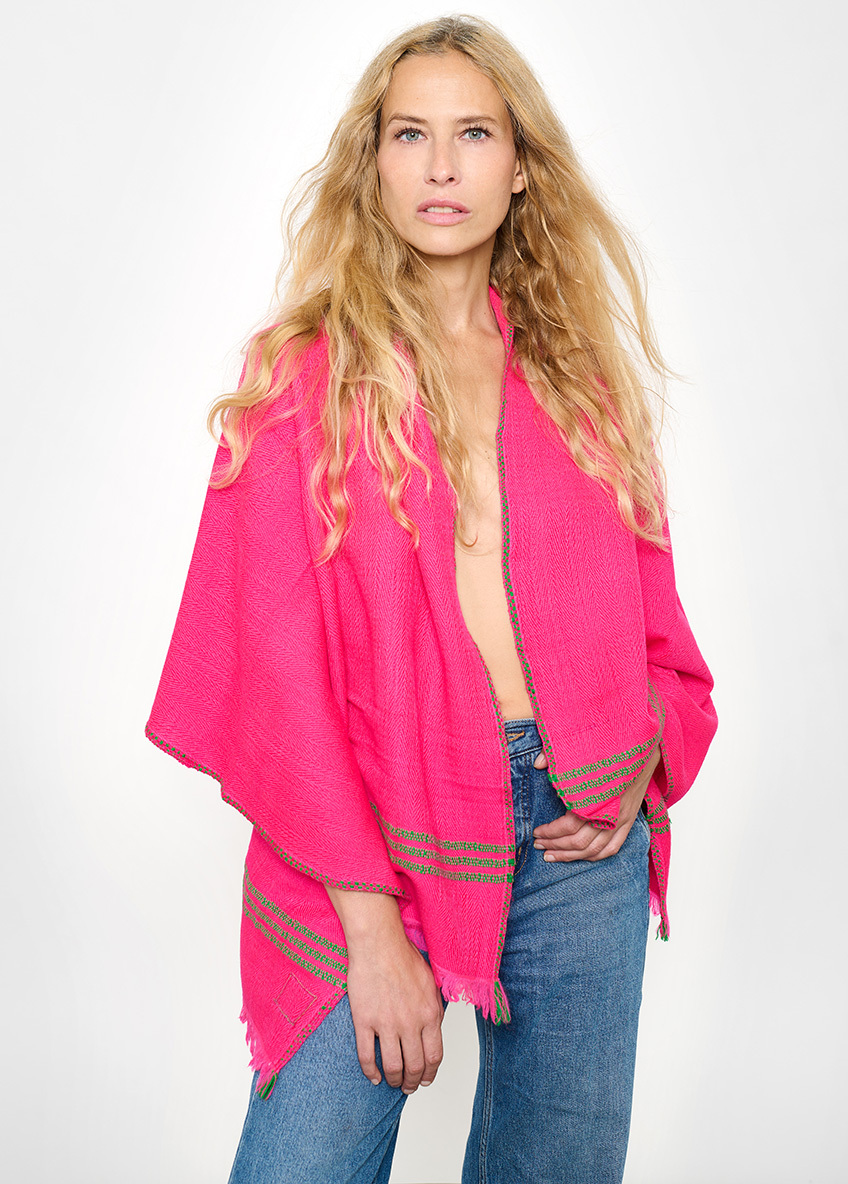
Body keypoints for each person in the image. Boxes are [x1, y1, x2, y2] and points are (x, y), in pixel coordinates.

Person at [145, 15, 717, 1184]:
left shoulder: (578, 382)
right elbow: (270, 661)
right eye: (410, 134)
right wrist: (368, 924)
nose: (442, 166)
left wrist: (632, 759)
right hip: (363, 827)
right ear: (373, 162)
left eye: (474, 134)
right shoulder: (302, 374)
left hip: (574, 832)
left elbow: (656, 631)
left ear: (521, 167)